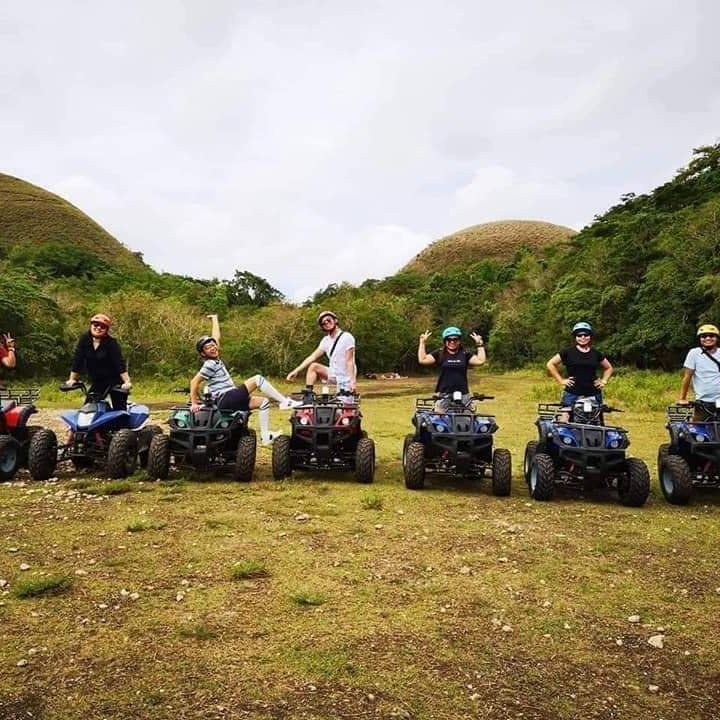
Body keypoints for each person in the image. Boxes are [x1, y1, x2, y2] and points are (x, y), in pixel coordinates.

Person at [190, 314, 299, 445]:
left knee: (263, 402)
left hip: (230, 398)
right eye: (208, 348)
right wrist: (194, 403)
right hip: (225, 398)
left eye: (213, 345)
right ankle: (284, 401)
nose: (213, 348)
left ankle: (265, 436)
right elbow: (194, 381)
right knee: (258, 379)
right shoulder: (210, 364)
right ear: (203, 353)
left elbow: (216, 336)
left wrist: (214, 319)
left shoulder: (216, 359)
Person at [65, 314, 131, 411]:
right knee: (88, 407)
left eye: (102, 326)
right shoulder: (84, 340)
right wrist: (72, 379)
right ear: (91, 325)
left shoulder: (111, 343)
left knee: (120, 410)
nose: (98, 328)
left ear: (106, 329)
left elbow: (119, 364)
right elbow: (78, 361)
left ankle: (123, 424)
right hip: (98, 381)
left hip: (115, 381)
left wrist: (127, 382)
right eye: (96, 325)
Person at [546, 321, 613, 409]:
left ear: (590, 336)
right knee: (564, 419)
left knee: (595, 421)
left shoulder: (596, 353)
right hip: (572, 393)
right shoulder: (568, 352)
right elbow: (550, 364)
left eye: (586, 335)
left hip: (594, 393)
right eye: (579, 335)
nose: (583, 337)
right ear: (575, 337)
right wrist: (561, 380)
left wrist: (604, 381)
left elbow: (609, 368)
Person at [286, 310, 357, 392]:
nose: (326, 323)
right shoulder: (325, 340)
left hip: (346, 376)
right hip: (333, 373)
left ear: (335, 320)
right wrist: (296, 371)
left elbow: (349, 361)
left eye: (328, 320)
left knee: (345, 402)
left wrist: (352, 381)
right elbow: (313, 356)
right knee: (313, 366)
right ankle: (309, 394)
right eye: (323, 323)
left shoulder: (347, 337)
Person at [417, 326, 486, 407]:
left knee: (466, 418)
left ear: (459, 341)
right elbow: (422, 360)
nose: (452, 342)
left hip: (463, 394)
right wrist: (422, 343)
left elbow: (480, 361)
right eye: (449, 339)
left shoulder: (465, 353)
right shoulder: (439, 353)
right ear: (445, 341)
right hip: (444, 394)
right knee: (439, 418)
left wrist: (479, 344)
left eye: (455, 339)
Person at [679, 323, 720, 420]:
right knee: (698, 430)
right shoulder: (694, 353)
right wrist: (683, 398)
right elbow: (687, 376)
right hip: (703, 402)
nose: (708, 338)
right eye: (704, 336)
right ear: (700, 339)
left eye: (711, 335)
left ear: (717, 338)